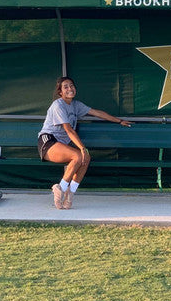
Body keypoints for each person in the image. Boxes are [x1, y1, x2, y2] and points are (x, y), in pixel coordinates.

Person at [38, 76, 132, 209]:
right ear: (60, 92)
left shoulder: (76, 105)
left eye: (71, 85)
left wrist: (119, 121)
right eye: (66, 87)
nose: (70, 88)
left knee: (86, 158)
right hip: (47, 142)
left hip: (61, 145)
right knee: (78, 155)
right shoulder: (58, 105)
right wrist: (82, 147)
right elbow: (69, 130)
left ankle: (70, 193)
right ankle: (60, 188)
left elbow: (97, 113)